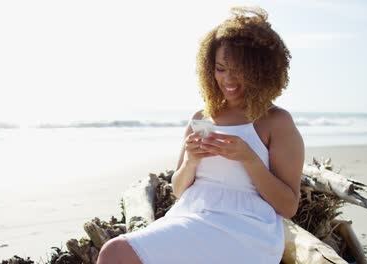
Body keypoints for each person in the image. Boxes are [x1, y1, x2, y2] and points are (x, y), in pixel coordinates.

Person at [97, 6, 304, 264]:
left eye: (238, 69)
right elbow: (178, 189)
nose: (228, 79)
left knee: (114, 252)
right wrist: (191, 161)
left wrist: (250, 159)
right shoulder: (201, 118)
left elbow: (288, 206)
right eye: (220, 68)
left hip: (247, 230)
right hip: (191, 215)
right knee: (114, 251)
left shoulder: (277, 121)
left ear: (260, 70)